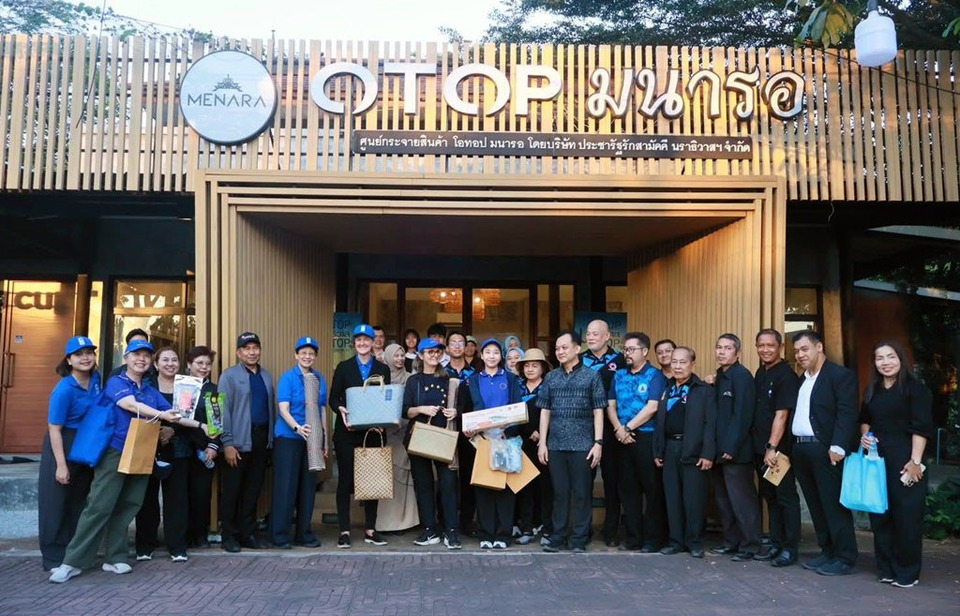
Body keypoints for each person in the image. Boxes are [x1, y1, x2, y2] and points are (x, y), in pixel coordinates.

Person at [49, 339, 208, 583]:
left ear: (150, 362)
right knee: (99, 506)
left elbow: (175, 416)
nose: (141, 359)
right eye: (136, 354)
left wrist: (201, 425)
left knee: (129, 505)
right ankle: (72, 562)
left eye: (146, 355)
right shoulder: (117, 382)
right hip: (115, 450)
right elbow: (129, 404)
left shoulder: (149, 390)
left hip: (142, 450)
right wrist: (161, 414)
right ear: (126, 358)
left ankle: (115, 557)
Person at [859, 341, 933, 588]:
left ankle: (907, 572)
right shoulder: (873, 390)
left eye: (891, 356)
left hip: (906, 461)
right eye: (879, 358)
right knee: (880, 515)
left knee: (907, 517)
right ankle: (886, 568)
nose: (885, 362)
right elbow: (864, 419)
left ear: (901, 359)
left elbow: (921, 427)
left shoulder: (915, 389)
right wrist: (865, 436)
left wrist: (915, 462)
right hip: (878, 462)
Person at [790, 329, 859, 576]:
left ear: (819, 347)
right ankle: (827, 551)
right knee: (815, 504)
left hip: (826, 449)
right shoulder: (802, 379)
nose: (800, 355)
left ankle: (845, 557)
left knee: (833, 505)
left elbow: (847, 412)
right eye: (796, 351)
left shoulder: (840, 375)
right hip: (801, 448)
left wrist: (838, 445)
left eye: (804, 349)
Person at [537, 330, 606, 553]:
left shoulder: (592, 376)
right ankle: (558, 536)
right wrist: (542, 442)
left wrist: (598, 443)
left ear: (577, 348)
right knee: (560, 494)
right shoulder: (551, 377)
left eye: (564, 347)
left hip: (583, 445)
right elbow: (545, 411)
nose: (560, 351)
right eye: (557, 348)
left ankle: (579, 538)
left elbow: (598, 411)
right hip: (556, 445)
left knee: (582, 494)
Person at [38, 336, 102, 571]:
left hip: (86, 444)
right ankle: (53, 558)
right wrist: (61, 465)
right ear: (69, 360)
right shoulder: (64, 389)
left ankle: (74, 555)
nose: (85, 358)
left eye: (89, 353)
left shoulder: (96, 379)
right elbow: (54, 428)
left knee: (79, 501)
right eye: (79, 354)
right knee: (56, 503)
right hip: (63, 443)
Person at [330, 323, 391, 549]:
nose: (363, 343)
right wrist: (340, 409)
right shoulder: (344, 367)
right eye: (359, 340)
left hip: (373, 433)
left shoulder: (382, 369)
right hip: (347, 432)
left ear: (373, 342)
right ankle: (344, 531)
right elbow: (333, 398)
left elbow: (386, 399)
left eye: (367, 339)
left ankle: (370, 529)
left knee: (373, 480)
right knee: (345, 480)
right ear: (354, 343)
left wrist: (384, 421)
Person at [607, 332, 668, 552]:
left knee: (652, 490)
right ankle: (633, 538)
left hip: (645, 437)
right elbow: (610, 405)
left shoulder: (655, 375)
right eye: (625, 349)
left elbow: (652, 407)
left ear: (644, 351)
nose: (627, 353)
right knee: (628, 490)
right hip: (622, 439)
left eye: (632, 349)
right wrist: (618, 429)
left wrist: (628, 428)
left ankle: (653, 540)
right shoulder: (619, 375)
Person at [461, 339, 524, 549]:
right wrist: (470, 429)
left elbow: (517, 407)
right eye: (487, 352)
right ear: (482, 355)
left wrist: (509, 431)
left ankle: (503, 535)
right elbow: (469, 408)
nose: (491, 356)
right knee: (484, 487)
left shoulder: (511, 378)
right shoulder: (473, 380)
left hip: (505, 439)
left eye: (495, 352)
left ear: (501, 356)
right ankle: (486, 534)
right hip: (482, 440)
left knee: (505, 489)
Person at [653, 346, 715, 559]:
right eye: (674, 362)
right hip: (670, 448)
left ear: (692, 365)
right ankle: (676, 541)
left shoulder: (704, 390)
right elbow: (659, 422)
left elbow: (710, 424)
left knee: (693, 500)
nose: (678, 366)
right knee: (673, 499)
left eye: (683, 362)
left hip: (694, 450)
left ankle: (694, 542)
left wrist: (708, 453)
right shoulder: (667, 388)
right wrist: (658, 450)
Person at [134, 347, 194, 562]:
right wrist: (159, 430)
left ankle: (177, 546)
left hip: (178, 448)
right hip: (149, 447)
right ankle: (145, 545)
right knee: (147, 498)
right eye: (165, 360)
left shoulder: (187, 387)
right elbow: (138, 413)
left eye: (174, 360)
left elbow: (189, 417)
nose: (170, 364)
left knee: (177, 499)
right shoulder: (146, 386)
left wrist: (172, 431)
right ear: (156, 364)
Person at [218, 332, 276, 553]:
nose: (252, 352)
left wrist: (270, 441)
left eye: (255, 348)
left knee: (253, 491)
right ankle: (228, 536)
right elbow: (222, 410)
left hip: (261, 440)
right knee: (232, 491)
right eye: (247, 348)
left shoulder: (266, 376)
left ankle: (247, 534)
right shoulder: (229, 376)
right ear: (238, 352)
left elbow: (270, 409)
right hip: (237, 441)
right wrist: (227, 443)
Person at [403, 338, 461, 549]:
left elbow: (463, 406)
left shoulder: (450, 378)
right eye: (430, 352)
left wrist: (455, 412)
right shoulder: (413, 381)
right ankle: (429, 529)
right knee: (424, 484)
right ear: (420, 355)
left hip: (444, 436)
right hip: (420, 436)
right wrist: (421, 409)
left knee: (448, 484)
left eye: (437, 352)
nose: (434, 355)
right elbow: (405, 410)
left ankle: (451, 530)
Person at [710, 333, 762, 562]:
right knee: (724, 501)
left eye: (727, 348)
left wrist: (731, 447)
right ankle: (731, 542)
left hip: (736, 452)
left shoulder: (742, 376)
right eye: (719, 347)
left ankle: (750, 545)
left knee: (742, 501)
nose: (722, 352)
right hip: (718, 451)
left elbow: (743, 416)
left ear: (737, 353)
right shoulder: (720, 376)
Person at [272, 336, 326, 549]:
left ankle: (304, 534)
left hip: (312, 440)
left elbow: (322, 409)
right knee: (286, 487)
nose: (307, 356)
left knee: (308, 487)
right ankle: (280, 535)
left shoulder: (319, 378)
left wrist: (323, 439)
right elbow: (283, 409)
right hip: (289, 438)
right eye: (303, 353)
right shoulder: (288, 377)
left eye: (311, 353)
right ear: (296, 355)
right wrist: (297, 428)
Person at [752, 329, 800, 567]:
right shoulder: (761, 372)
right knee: (770, 497)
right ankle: (776, 543)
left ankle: (790, 549)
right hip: (761, 449)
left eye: (770, 345)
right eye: (761, 345)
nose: (765, 350)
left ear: (780, 347)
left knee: (785, 498)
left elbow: (782, 415)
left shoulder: (786, 375)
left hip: (779, 451)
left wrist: (772, 447)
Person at [581, 319, 626, 547]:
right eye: (588, 333)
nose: (590, 337)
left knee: (612, 480)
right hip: (584, 427)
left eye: (595, 334)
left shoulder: (620, 360)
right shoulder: (579, 360)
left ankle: (611, 530)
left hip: (611, 428)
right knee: (583, 481)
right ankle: (584, 529)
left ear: (607, 336)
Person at [376, 343, 419, 533]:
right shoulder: (381, 379)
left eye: (402, 355)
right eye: (396, 355)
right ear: (387, 357)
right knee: (387, 477)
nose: (400, 359)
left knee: (405, 477)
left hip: (406, 433)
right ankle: (386, 522)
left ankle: (406, 522)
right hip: (386, 434)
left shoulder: (411, 379)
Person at [515, 348, 553, 545]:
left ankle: (547, 529)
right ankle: (527, 527)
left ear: (543, 368)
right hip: (520, 443)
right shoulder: (517, 387)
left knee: (546, 488)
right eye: (527, 366)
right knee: (525, 487)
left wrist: (541, 431)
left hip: (544, 444)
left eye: (534, 365)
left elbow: (554, 412)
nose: (530, 369)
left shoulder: (549, 386)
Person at [184, 346, 220, 549]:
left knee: (202, 493)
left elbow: (216, 423)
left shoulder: (213, 390)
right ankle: (182, 535)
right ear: (189, 364)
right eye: (199, 363)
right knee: (181, 494)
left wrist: (213, 447)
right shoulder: (180, 386)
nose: (204, 367)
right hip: (180, 447)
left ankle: (200, 534)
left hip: (203, 450)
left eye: (207, 364)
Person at [445, 330, 477, 534]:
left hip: (468, 432)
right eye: (453, 342)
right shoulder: (441, 372)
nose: (457, 346)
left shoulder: (474, 374)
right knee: (446, 478)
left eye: (461, 342)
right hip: (445, 431)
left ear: (466, 347)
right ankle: (446, 521)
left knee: (468, 477)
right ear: (447, 348)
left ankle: (466, 521)